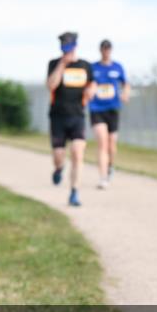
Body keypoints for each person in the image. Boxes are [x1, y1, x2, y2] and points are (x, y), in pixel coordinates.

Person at [47, 32, 95, 206]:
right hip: (58, 117)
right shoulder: (53, 64)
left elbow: (93, 84)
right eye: (64, 48)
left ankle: (74, 192)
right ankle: (59, 168)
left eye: (69, 48)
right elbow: (51, 85)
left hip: (77, 116)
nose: (67, 51)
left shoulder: (85, 66)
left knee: (77, 152)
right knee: (59, 155)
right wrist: (62, 65)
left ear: (75, 46)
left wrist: (92, 91)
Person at [88, 39, 128, 189]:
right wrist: (89, 91)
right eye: (103, 48)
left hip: (112, 108)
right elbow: (88, 84)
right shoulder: (93, 68)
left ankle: (111, 165)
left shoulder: (117, 67)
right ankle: (103, 177)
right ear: (100, 50)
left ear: (111, 50)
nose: (106, 51)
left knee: (112, 145)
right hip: (97, 109)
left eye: (108, 48)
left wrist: (125, 93)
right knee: (102, 142)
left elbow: (126, 83)